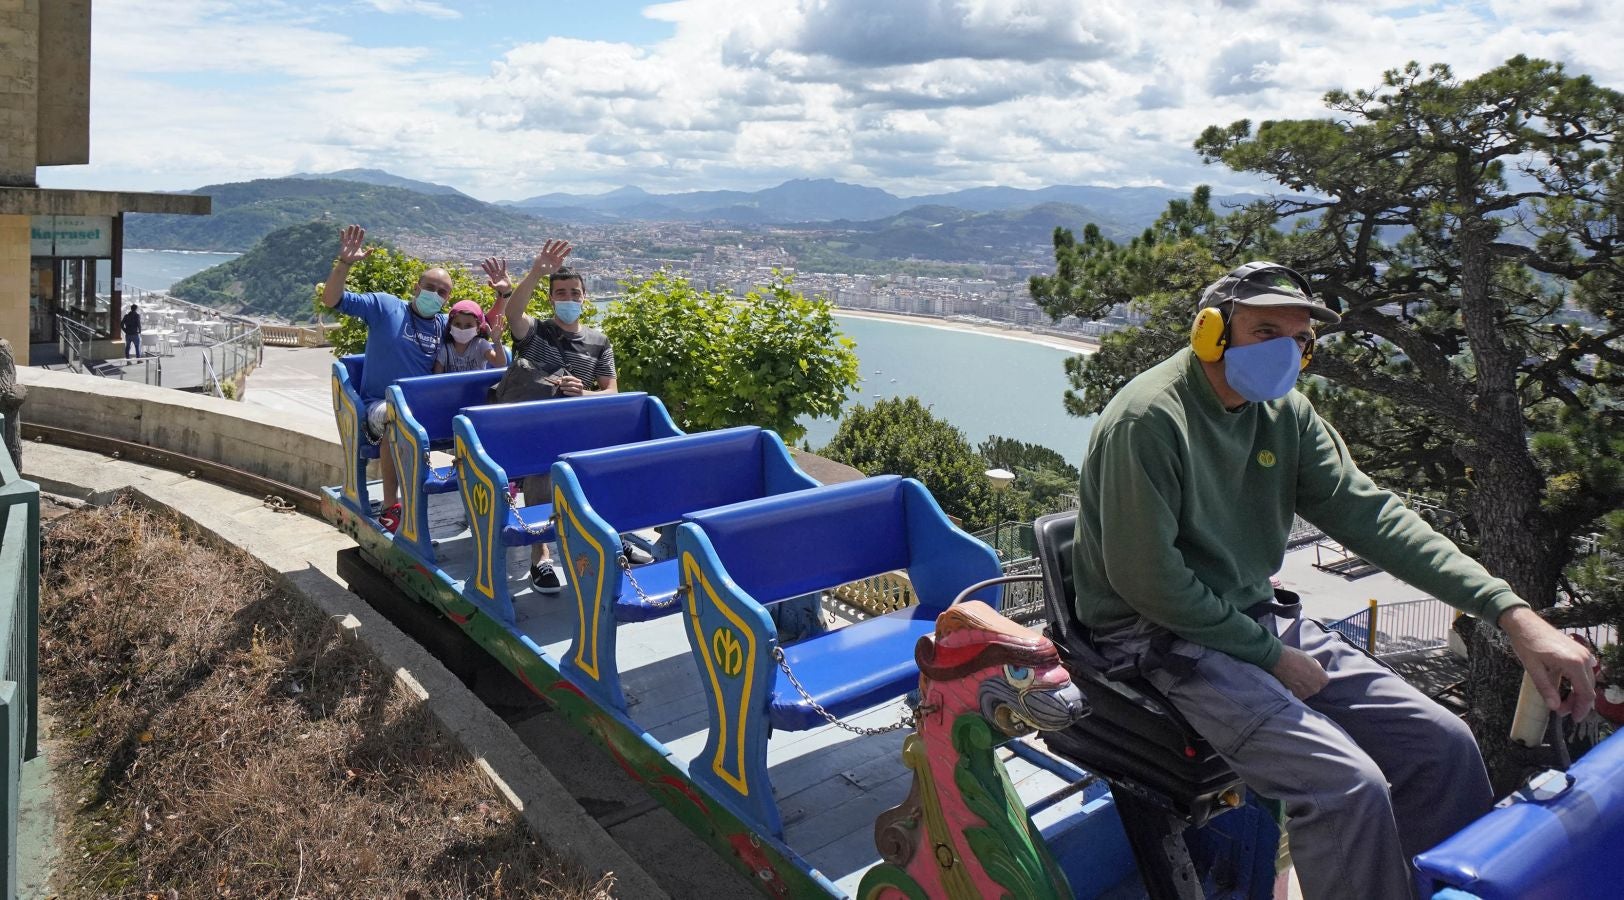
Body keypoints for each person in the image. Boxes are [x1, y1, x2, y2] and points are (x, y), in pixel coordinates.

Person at [1070, 261, 1597, 900]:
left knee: (1443, 745)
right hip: (1152, 635)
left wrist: (1511, 614)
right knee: (1344, 786)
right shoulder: (1150, 419)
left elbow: (1370, 514)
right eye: (1264, 330)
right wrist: (1271, 656)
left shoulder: (1284, 412)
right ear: (1211, 331)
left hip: (1246, 615)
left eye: (1297, 339)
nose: (1283, 352)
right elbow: (1145, 581)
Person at [488, 242, 650, 594]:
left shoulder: (599, 340)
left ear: (585, 297)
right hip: (534, 430)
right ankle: (540, 556)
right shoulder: (537, 333)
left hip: (581, 430)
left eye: (574, 292)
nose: (568, 297)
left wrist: (583, 392)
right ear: (550, 299)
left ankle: (612, 539)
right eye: (560, 292)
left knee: (608, 469)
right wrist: (535, 272)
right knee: (542, 472)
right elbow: (514, 314)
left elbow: (611, 391)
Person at [320, 224, 450, 533]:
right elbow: (331, 299)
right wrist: (345, 264)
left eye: (442, 292)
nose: (434, 295)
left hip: (423, 409)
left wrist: (502, 297)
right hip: (381, 406)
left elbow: (484, 333)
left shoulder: (446, 325)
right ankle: (392, 504)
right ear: (416, 288)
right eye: (429, 287)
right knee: (397, 418)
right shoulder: (385, 306)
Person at [433, 299, 507, 373]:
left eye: (468, 326)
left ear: (478, 328)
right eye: (457, 324)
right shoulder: (445, 349)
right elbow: (436, 378)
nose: (462, 329)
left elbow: (500, 364)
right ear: (450, 325)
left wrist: (497, 341)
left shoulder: (481, 345)